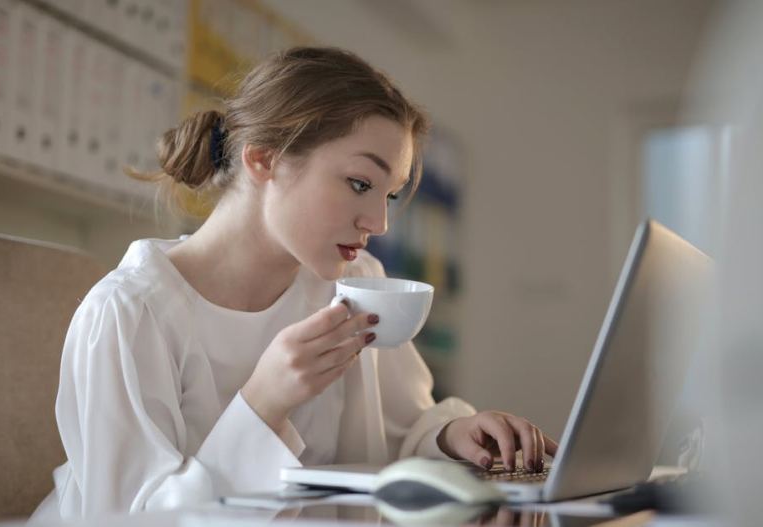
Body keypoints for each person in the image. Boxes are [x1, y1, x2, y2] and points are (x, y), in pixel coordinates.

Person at [33, 46, 557, 520]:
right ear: (264, 158)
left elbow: (402, 427)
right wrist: (264, 401)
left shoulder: (356, 283)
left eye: (389, 195)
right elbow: (126, 516)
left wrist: (450, 434)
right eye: (359, 183)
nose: (379, 223)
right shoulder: (130, 312)